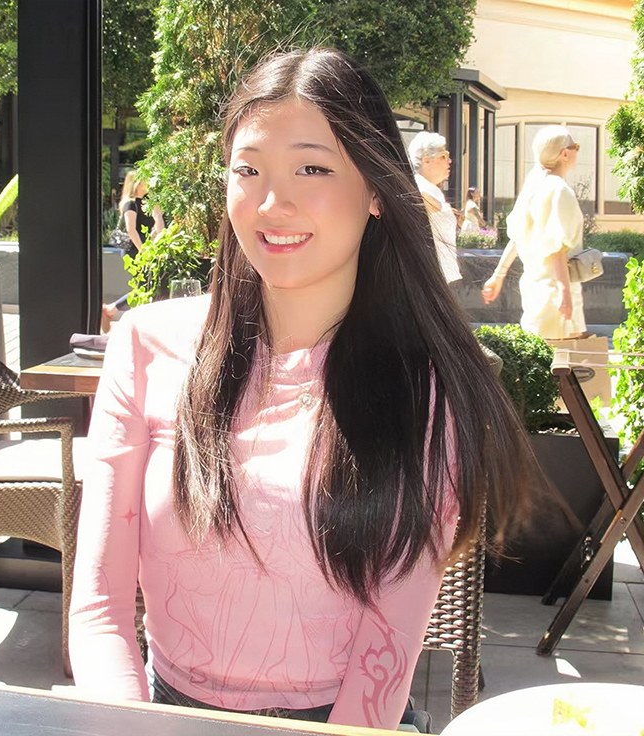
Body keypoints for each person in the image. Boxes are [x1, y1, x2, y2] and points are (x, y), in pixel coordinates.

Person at [70, 47, 534, 731]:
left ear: (375, 191)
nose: (272, 203)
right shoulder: (145, 347)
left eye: (311, 168)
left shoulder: (424, 384)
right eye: (248, 170)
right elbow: (100, 609)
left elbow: (385, 657)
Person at [482, 125, 586, 340]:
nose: (577, 150)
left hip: (534, 289)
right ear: (564, 153)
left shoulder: (534, 186)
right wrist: (565, 292)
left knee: (540, 352)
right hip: (556, 291)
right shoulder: (559, 191)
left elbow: (517, 237)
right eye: (575, 146)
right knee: (564, 356)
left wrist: (498, 275)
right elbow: (556, 249)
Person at [101, 172, 166, 331]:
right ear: (136, 184)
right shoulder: (130, 204)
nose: (148, 183)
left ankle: (111, 310)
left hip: (147, 250)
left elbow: (159, 229)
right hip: (135, 251)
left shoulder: (147, 203)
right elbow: (131, 230)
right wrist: (143, 251)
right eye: (144, 180)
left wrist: (157, 214)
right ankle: (112, 310)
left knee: (148, 286)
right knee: (144, 286)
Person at [407, 132, 462, 283]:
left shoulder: (429, 189)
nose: (449, 160)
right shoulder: (419, 189)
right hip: (425, 279)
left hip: (436, 277)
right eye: (443, 156)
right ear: (426, 160)